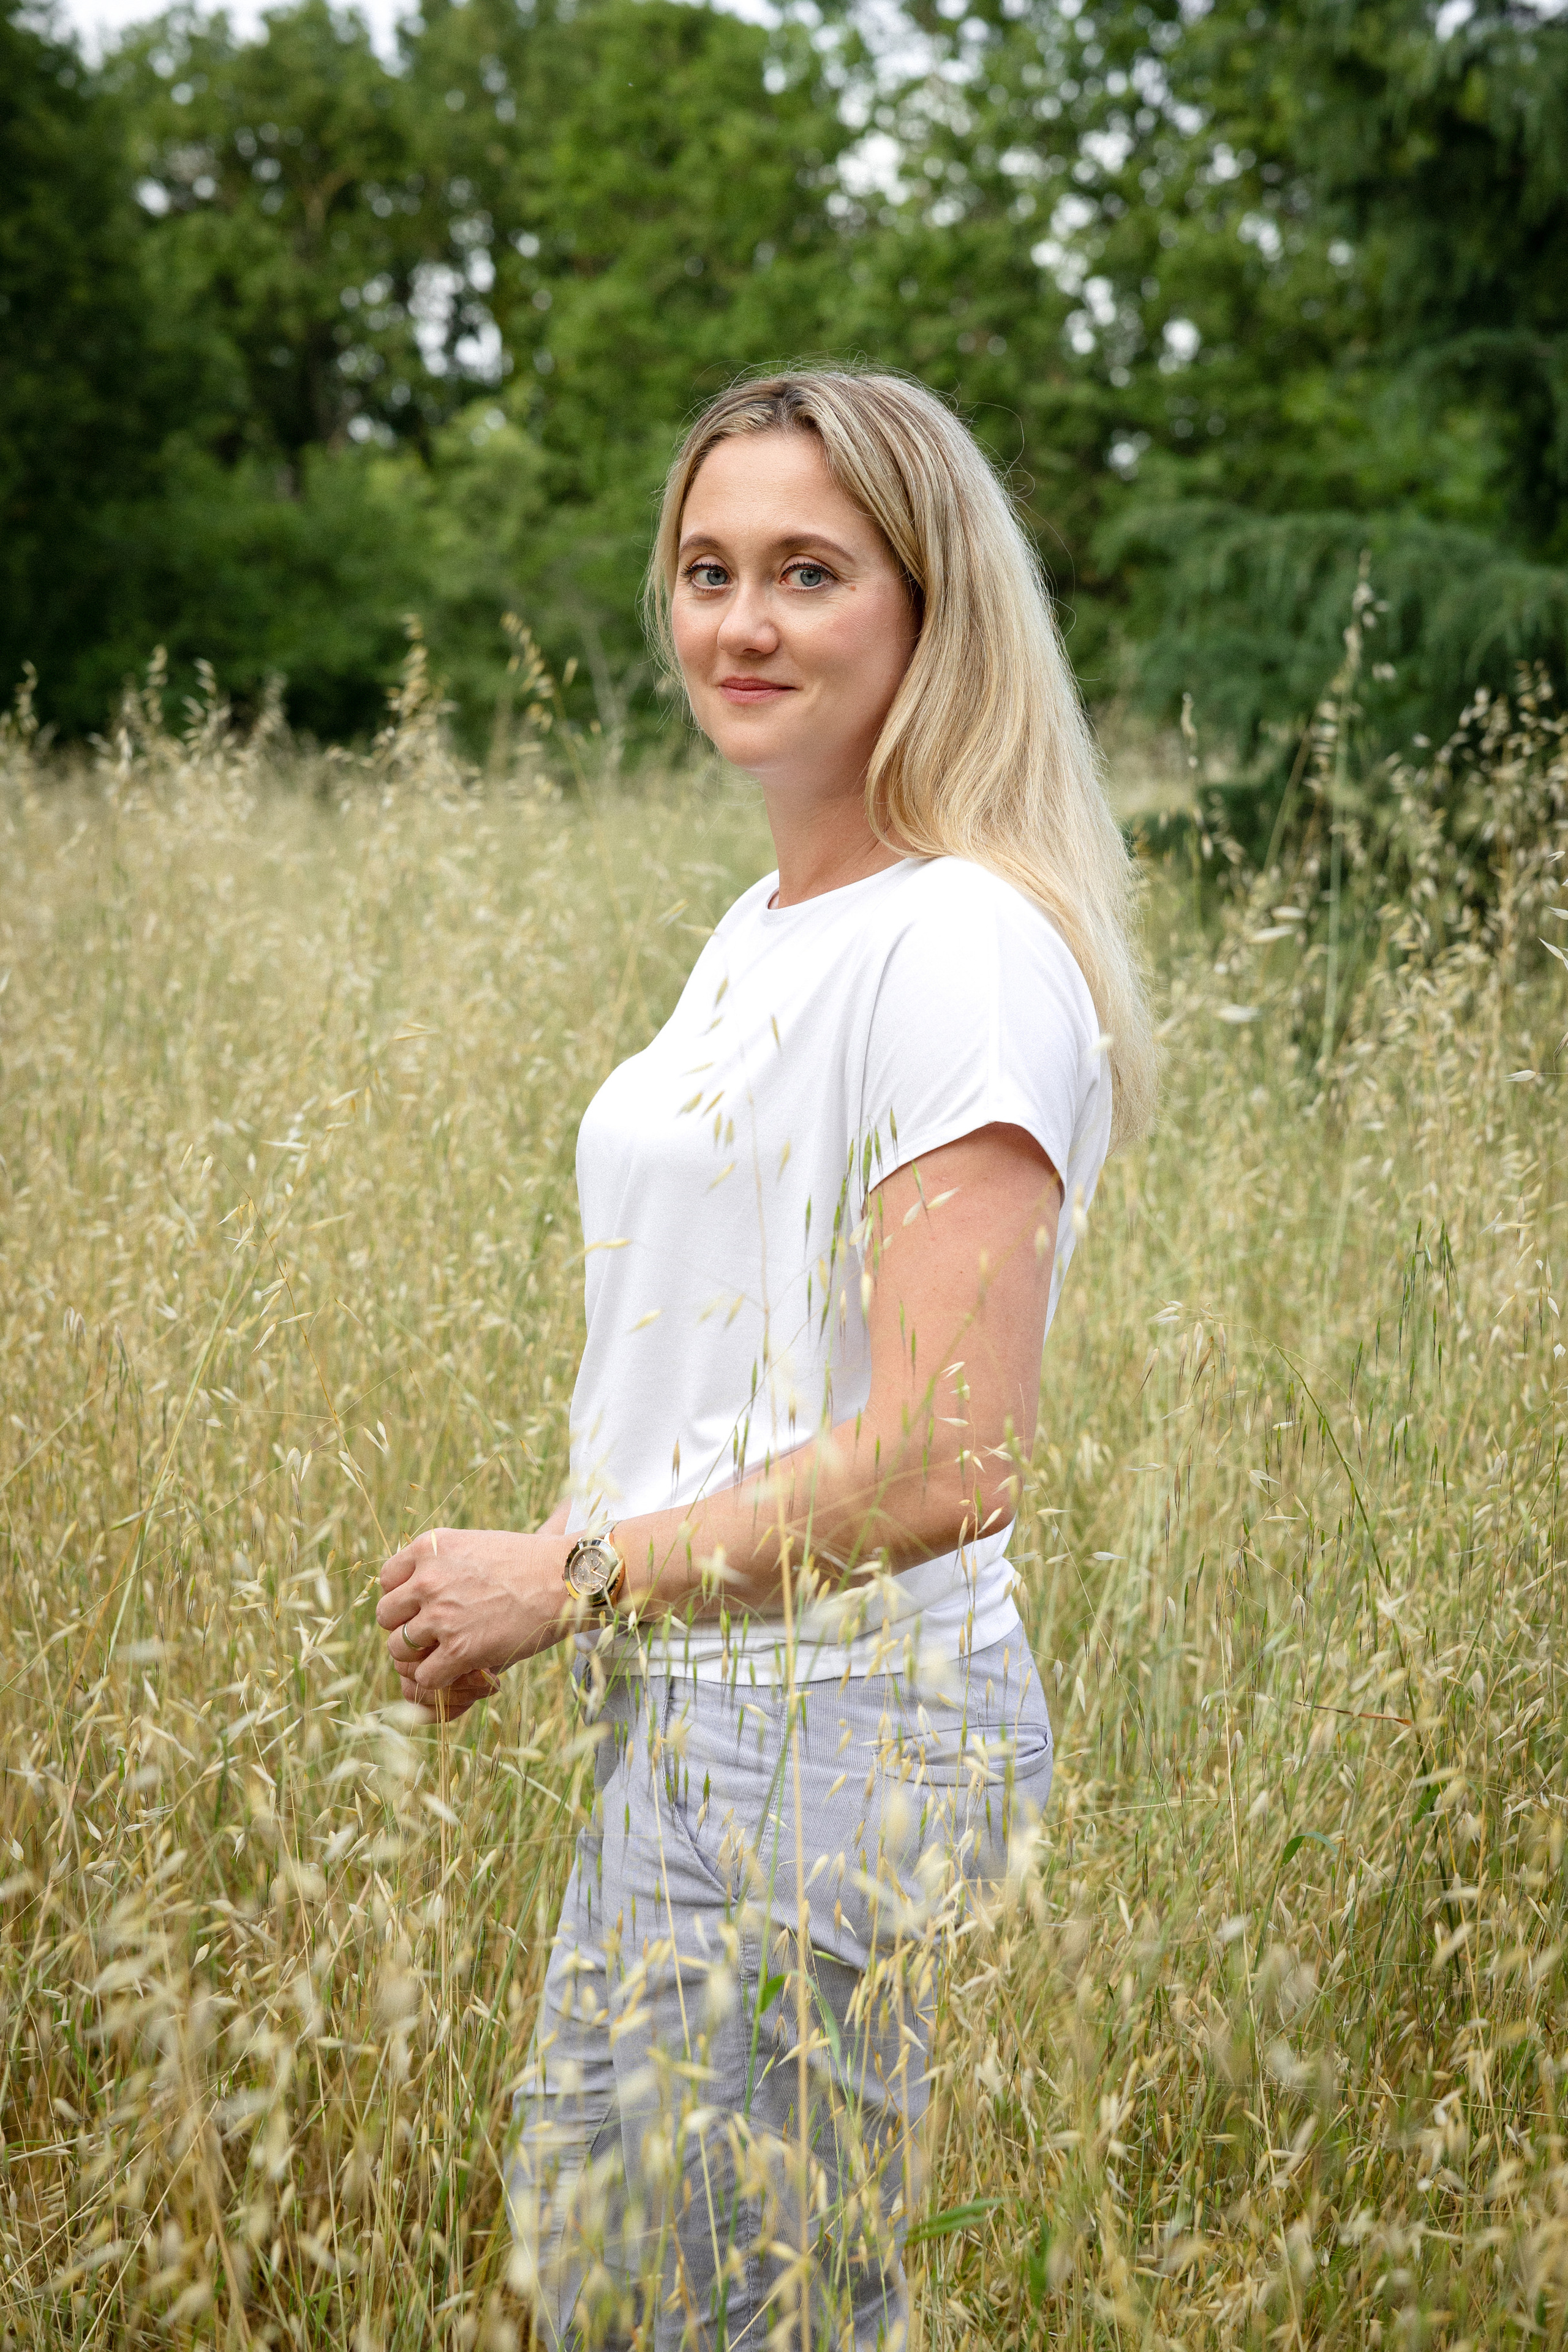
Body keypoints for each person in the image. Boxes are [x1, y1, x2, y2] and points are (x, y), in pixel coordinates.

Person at [376, 368, 1156, 2349]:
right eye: (707, 570)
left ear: (929, 608)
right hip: (708, 1707)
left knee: (734, 2318)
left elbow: (945, 1454)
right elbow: (745, 1340)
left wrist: (564, 1584)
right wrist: (577, 1553)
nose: (741, 623)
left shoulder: (958, 943)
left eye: (809, 572)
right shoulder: (772, 920)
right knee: (626, 2288)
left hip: (837, 1737)